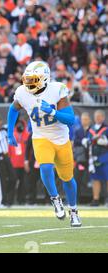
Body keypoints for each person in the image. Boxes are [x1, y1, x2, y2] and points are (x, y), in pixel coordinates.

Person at [7, 61, 81, 227]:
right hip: (40, 137)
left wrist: (53, 112)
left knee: (67, 178)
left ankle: (74, 211)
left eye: (33, 79)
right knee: (45, 167)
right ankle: (55, 199)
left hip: (61, 138)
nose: (28, 83)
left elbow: (70, 120)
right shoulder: (22, 92)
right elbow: (13, 109)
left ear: (44, 79)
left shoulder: (57, 90)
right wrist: (9, 131)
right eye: (27, 79)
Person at [85, 110, 108, 206]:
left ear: (103, 117)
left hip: (105, 156)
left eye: (99, 116)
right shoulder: (91, 129)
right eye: (96, 116)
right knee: (95, 179)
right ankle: (96, 199)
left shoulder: (106, 129)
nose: (97, 118)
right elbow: (88, 140)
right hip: (93, 157)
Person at [8, 118, 30, 204]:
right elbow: (9, 149)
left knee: (23, 183)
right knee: (12, 182)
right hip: (14, 163)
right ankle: (10, 200)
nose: (20, 126)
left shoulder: (27, 135)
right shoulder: (12, 135)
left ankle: (21, 200)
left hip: (23, 164)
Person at [73, 112, 91, 203]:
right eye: (83, 119)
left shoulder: (92, 130)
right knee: (78, 178)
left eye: (86, 119)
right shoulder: (78, 130)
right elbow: (75, 142)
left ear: (89, 120)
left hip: (91, 159)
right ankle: (77, 198)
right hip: (80, 159)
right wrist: (82, 142)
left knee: (92, 179)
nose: (84, 121)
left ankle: (93, 198)